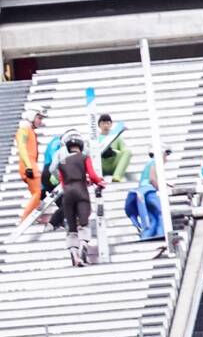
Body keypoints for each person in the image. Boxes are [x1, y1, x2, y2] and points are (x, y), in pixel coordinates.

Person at [56, 132, 106, 266]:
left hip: (67, 193)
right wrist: (100, 182)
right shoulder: (84, 157)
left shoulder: (61, 162)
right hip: (80, 191)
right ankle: (83, 247)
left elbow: (61, 181)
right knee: (84, 223)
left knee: (71, 227)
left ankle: (73, 254)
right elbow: (92, 175)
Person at [125, 150, 171, 241]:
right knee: (161, 213)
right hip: (149, 192)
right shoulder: (154, 162)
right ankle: (161, 234)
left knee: (152, 219)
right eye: (166, 156)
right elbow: (152, 179)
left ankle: (145, 237)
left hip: (142, 192)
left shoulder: (148, 163)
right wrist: (161, 188)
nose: (166, 159)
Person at [15, 105, 46, 220]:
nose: (40, 122)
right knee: (37, 193)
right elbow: (22, 148)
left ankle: (36, 216)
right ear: (33, 116)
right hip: (28, 164)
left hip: (29, 163)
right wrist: (28, 166)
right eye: (39, 118)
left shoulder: (29, 130)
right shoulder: (24, 128)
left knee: (38, 192)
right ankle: (24, 219)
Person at [97, 113, 131, 180]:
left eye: (107, 123)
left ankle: (117, 176)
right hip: (101, 165)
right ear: (99, 125)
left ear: (111, 124)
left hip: (113, 163)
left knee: (128, 151)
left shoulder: (116, 137)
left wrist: (114, 151)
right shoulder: (95, 139)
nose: (105, 125)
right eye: (103, 123)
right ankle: (98, 178)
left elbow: (124, 150)